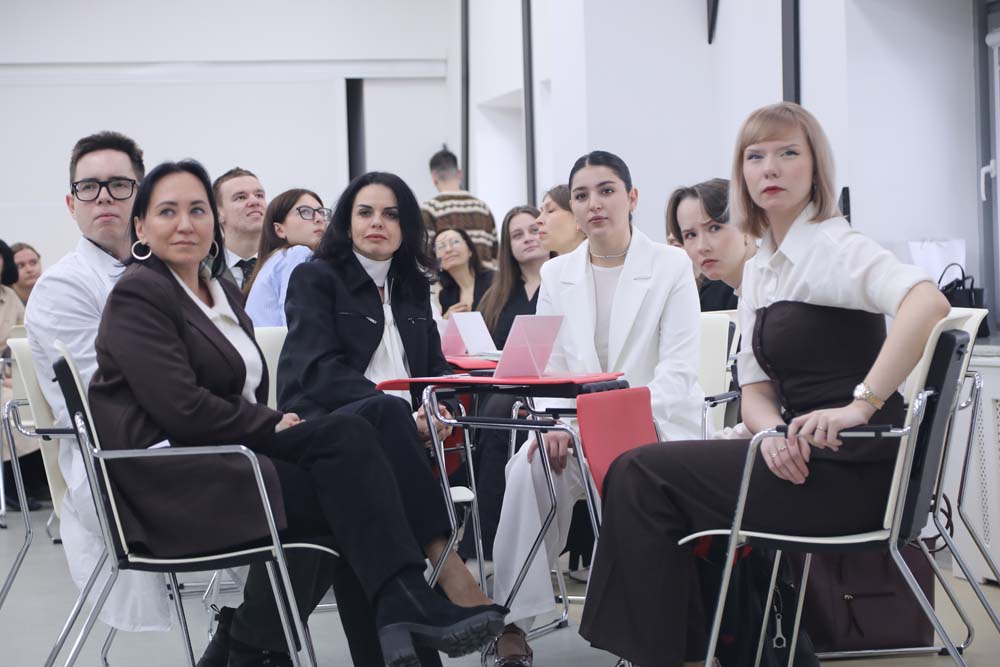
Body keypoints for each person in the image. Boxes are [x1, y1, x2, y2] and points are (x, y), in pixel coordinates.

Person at [578, 103, 951, 667]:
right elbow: (754, 390)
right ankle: (699, 650)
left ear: (815, 167)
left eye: (788, 153)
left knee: (642, 475)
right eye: (755, 157)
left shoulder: (835, 247)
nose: (770, 167)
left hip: (854, 469)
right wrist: (772, 434)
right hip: (799, 458)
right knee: (642, 476)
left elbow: (928, 303)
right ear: (742, 174)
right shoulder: (764, 266)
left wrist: (861, 404)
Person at [89, 160, 505, 667]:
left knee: (362, 436)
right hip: (171, 478)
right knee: (352, 483)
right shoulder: (140, 292)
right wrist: (270, 422)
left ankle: (375, 614)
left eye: (197, 210)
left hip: (227, 456)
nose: (185, 224)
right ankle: (278, 638)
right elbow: (181, 407)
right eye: (167, 212)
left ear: (214, 223)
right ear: (140, 227)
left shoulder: (217, 293)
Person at [278, 171, 502, 665]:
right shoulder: (317, 277)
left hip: (396, 445)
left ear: (407, 228)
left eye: (391, 214)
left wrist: (438, 409)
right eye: (365, 212)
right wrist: (403, 412)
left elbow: (435, 370)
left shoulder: (412, 287)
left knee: (370, 511)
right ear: (347, 222)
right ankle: (450, 568)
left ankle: (402, 630)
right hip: (326, 433)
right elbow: (316, 371)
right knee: (382, 416)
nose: (377, 222)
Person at [490, 150, 705, 666]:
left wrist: (609, 422)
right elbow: (551, 369)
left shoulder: (671, 265)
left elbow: (678, 370)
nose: (594, 204)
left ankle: (647, 632)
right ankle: (511, 621)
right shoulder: (557, 273)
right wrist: (554, 423)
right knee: (528, 469)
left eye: (606, 191)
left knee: (632, 477)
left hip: (654, 426)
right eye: (582, 195)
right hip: (575, 428)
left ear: (631, 198)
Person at [23, 131, 171, 632]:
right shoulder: (64, 287)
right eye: (89, 187)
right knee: (301, 488)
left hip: (188, 441)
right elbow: (111, 401)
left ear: (140, 196)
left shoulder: (170, 270)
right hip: (121, 465)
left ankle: (253, 632)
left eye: (118, 185)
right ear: (72, 204)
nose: (104, 196)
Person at [454, 205, 545, 567]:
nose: (528, 239)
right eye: (517, 235)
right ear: (508, 246)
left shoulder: (564, 282)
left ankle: (484, 545)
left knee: (496, 417)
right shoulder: (497, 295)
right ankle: (484, 543)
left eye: (533, 230)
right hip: (501, 389)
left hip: (549, 390)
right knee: (492, 415)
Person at [666, 178, 757, 311]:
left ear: (746, 224)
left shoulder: (776, 289)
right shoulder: (746, 295)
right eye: (690, 235)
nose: (701, 247)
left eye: (714, 228)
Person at [244, 188, 330, 326]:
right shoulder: (296, 254)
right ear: (279, 229)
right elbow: (294, 323)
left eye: (321, 212)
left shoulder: (276, 259)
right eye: (305, 212)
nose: (319, 219)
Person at [421, 145, 498, 268]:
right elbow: (495, 256)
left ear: (434, 176)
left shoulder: (430, 209)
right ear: (459, 173)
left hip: (451, 279)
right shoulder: (482, 208)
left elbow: (427, 256)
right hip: (488, 277)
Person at [214, 167, 266, 288]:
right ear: (218, 214)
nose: (255, 201)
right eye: (241, 197)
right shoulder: (200, 271)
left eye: (259, 195)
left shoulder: (287, 263)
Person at [435, 228, 495, 319]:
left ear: (470, 250)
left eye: (455, 242)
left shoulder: (495, 281)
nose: (448, 249)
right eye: (441, 247)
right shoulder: (445, 296)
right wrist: (446, 320)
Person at [535, 184, 585, 256]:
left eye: (550, 211)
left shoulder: (600, 261)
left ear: (578, 216)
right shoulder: (552, 264)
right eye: (541, 212)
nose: (538, 220)